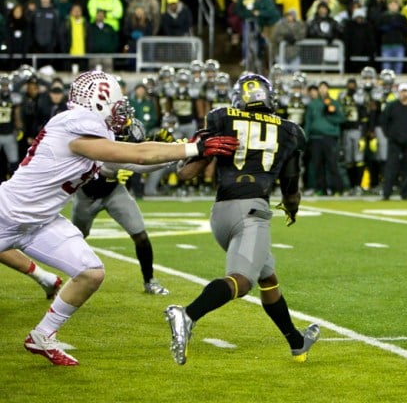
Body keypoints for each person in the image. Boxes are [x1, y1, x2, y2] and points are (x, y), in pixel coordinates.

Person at [1, 70, 240, 366]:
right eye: (117, 105)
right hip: (6, 214)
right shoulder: (76, 124)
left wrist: (183, 148)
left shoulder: (91, 131)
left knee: (91, 272)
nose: (122, 115)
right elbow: (137, 155)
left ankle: (41, 336)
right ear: (99, 101)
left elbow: (136, 163)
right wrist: (193, 147)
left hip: (42, 222)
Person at [164, 73, 320, 366]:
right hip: (252, 213)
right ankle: (187, 315)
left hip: (221, 214)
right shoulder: (290, 130)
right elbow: (291, 186)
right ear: (269, 97)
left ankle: (297, 343)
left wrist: (183, 161)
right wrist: (292, 208)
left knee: (268, 276)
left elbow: (187, 173)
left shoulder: (221, 116)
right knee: (242, 282)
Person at [71, 121, 172, 295]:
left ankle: (150, 281)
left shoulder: (109, 142)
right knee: (76, 238)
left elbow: (141, 158)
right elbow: (142, 164)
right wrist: (171, 152)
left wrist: (165, 149)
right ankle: (71, 279)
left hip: (113, 191)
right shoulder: (103, 149)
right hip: (85, 197)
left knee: (140, 234)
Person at [379, 82, 407, 200]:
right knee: (391, 168)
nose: (404, 94)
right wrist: (389, 135)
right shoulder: (392, 106)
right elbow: (384, 121)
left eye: (406, 91)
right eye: (402, 91)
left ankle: (405, 194)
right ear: (398, 93)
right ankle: (386, 193)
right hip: (395, 142)